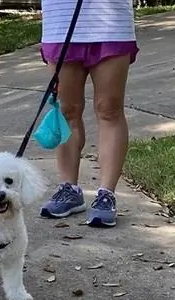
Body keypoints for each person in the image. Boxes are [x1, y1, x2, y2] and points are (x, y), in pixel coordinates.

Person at [39, 0, 139, 227]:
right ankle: (69, 190)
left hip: (111, 24)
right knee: (67, 110)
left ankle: (106, 194)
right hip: (61, 22)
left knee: (109, 109)